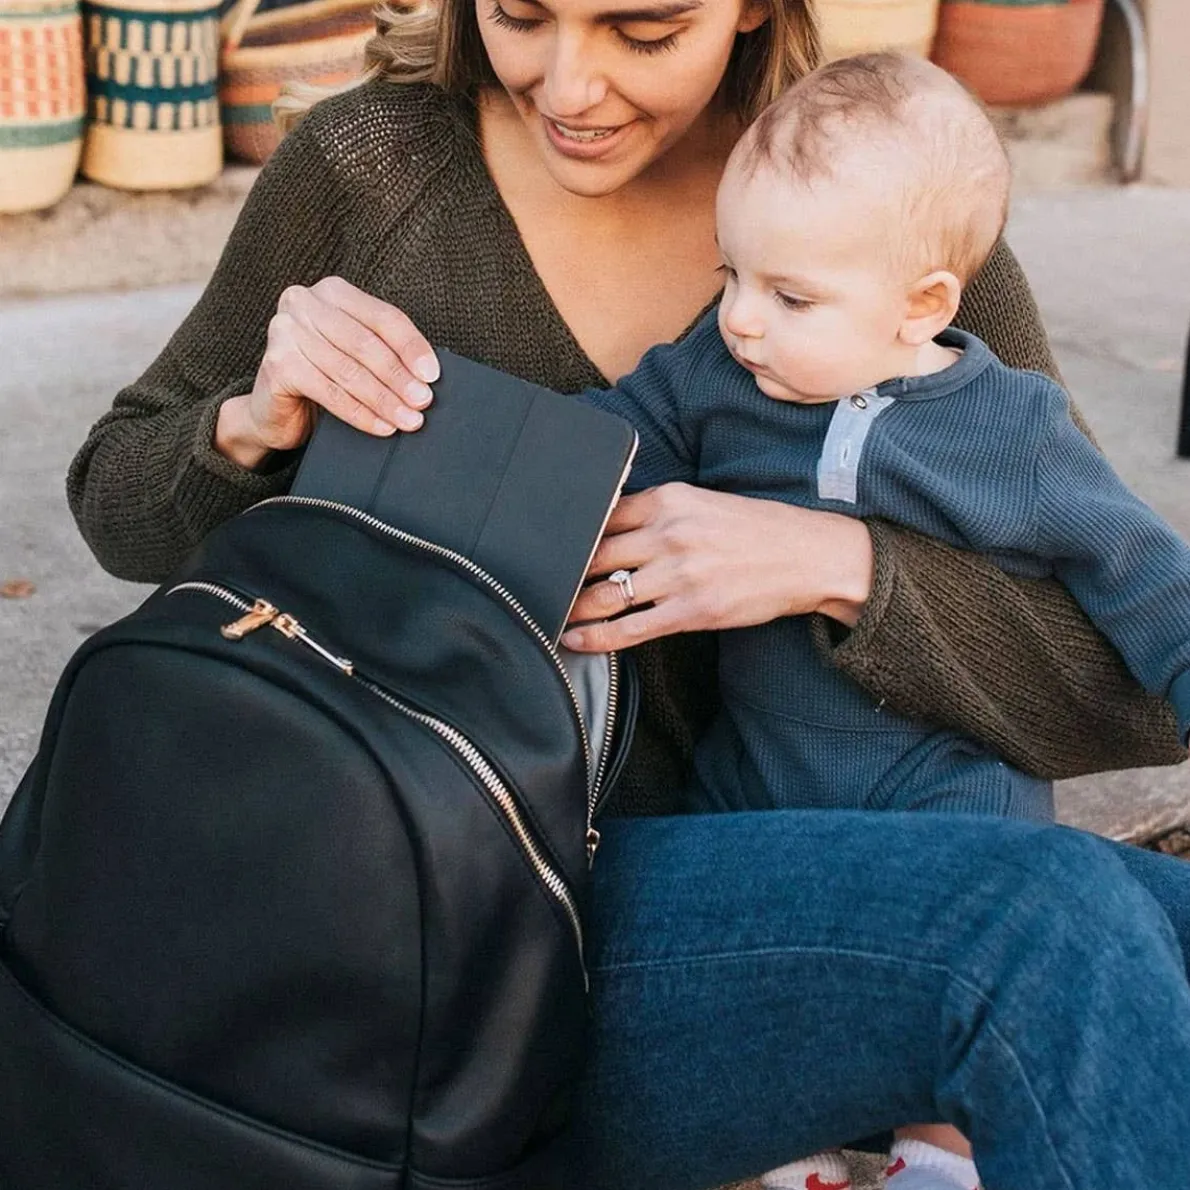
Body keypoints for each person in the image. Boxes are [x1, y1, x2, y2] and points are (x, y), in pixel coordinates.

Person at [64, 0, 1190, 1185]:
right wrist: (252, 423)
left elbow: (1118, 691)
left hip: (809, 871)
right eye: (518, 15)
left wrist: (842, 571)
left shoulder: (883, 194)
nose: (568, 85)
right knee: (1041, 929)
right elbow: (114, 504)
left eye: (642, 30)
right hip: (470, 911)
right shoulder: (368, 168)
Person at [567, 49, 1190, 1187]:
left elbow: (1142, 580)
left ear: (923, 306)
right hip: (750, 781)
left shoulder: (1009, 431)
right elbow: (602, 439)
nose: (743, 321)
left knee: (1017, 941)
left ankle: (939, 1153)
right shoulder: (720, 372)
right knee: (756, 962)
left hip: (946, 794)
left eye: (789, 296)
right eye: (730, 277)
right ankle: (787, 1139)